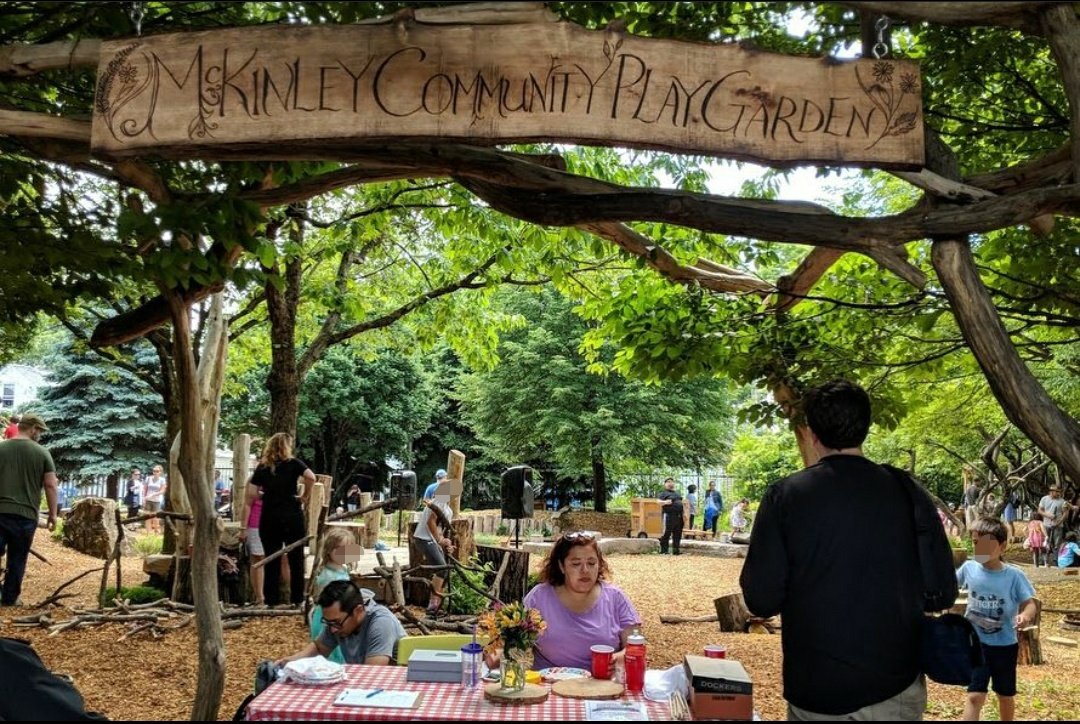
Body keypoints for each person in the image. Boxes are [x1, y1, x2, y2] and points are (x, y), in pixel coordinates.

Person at [740, 379, 948, 720]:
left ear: (811, 433)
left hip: (817, 685)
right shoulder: (906, 490)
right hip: (894, 682)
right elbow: (940, 592)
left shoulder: (787, 496)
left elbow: (761, 598)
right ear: (865, 428)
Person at [520, 531, 641, 671]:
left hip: (603, 684)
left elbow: (636, 647)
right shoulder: (539, 597)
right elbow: (515, 641)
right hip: (548, 683)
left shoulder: (616, 598)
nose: (585, 570)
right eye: (576, 564)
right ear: (561, 566)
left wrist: (620, 659)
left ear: (599, 565)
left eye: (591, 563)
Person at [958, 516, 1037, 722]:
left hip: (1004, 646)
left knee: (1005, 695)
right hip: (976, 645)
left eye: (986, 544)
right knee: (975, 695)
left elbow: (1030, 603)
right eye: (975, 543)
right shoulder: (968, 568)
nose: (979, 549)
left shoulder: (1014, 576)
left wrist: (1024, 616)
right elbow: (947, 587)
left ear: (1002, 546)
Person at [241, 432, 315, 606]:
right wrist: (304, 496)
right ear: (287, 446)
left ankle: (271, 601)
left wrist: (265, 495)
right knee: (296, 558)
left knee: (271, 558)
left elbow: (251, 493)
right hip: (292, 515)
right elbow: (311, 477)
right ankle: (298, 600)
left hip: (269, 517)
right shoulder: (294, 463)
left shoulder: (262, 467)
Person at [275, 580, 405, 666]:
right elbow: (319, 648)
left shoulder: (381, 622)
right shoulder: (338, 622)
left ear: (358, 611)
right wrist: (289, 662)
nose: (332, 630)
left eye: (336, 623)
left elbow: (372, 673)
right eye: (328, 623)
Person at [0, 414, 58, 607]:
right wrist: (52, 514)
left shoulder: (1, 448)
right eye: (39, 431)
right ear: (33, 428)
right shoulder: (42, 453)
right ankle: (9, 599)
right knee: (17, 558)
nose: (39, 434)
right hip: (25, 516)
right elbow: (50, 485)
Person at [310, 528, 358, 663]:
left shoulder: (342, 569)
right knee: (331, 651)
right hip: (329, 617)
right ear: (329, 550)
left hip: (341, 613)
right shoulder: (328, 576)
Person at [412, 489, 455, 613]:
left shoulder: (449, 510)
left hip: (431, 540)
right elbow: (431, 522)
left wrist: (446, 543)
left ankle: (436, 604)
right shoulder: (438, 503)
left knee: (444, 571)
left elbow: (440, 528)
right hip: (424, 539)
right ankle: (433, 604)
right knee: (442, 569)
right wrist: (440, 540)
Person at [1037, 485, 1067, 567]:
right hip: (1046, 525)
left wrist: (1059, 522)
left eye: (1059, 491)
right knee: (1045, 543)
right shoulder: (1044, 499)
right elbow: (1039, 510)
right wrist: (1048, 515)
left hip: (1058, 526)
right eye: (1056, 491)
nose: (1058, 493)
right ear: (1051, 491)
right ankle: (1042, 560)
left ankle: (1056, 561)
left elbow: (1065, 513)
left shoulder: (1062, 501)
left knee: (1056, 544)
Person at [657, 477, 687, 555]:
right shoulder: (663, 493)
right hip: (668, 516)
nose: (670, 483)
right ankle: (664, 551)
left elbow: (681, 503)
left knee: (677, 534)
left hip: (679, 516)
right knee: (666, 533)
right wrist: (665, 502)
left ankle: (676, 551)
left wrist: (684, 513)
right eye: (668, 482)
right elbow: (658, 501)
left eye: (672, 482)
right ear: (665, 484)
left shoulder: (677, 493)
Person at [143, 464, 168, 534]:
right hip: (148, 500)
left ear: (160, 472)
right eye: (154, 471)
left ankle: (156, 531)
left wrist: (153, 494)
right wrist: (144, 498)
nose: (155, 472)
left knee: (155, 517)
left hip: (156, 501)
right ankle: (148, 532)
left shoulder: (162, 480)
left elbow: (162, 491)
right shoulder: (148, 478)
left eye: (157, 471)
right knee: (147, 516)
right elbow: (145, 489)